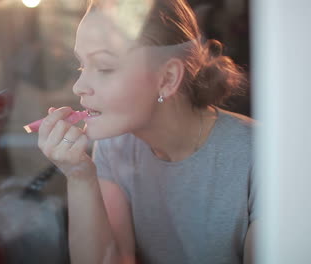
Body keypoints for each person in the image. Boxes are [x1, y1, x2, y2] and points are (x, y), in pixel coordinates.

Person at [37, 0, 256, 263]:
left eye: (105, 67)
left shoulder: (259, 155)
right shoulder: (114, 146)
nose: (78, 87)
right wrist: (79, 176)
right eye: (82, 66)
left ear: (167, 79)